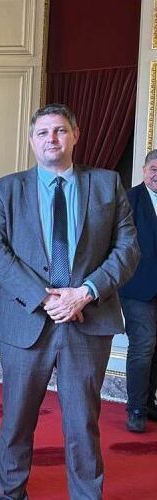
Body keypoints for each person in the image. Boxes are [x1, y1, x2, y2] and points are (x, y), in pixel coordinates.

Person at [0, 103, 140, 499]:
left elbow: (128, 248)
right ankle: (11, 494)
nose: (52, 139)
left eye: (60, 131)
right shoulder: (5, 189)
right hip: (24, 321)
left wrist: (84, 293)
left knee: (83, 423)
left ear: (76, 135)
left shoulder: (107, 184)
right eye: (43, 132)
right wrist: (42, 297)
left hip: (88, 318)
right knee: (16, 420)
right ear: (32, 140)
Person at [118, 149, 157, 433]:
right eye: (154, 168)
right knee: (143, 346)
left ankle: (150, 404)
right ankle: (136, 408)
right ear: (144, 170)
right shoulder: (128, 200)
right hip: (136, 288)